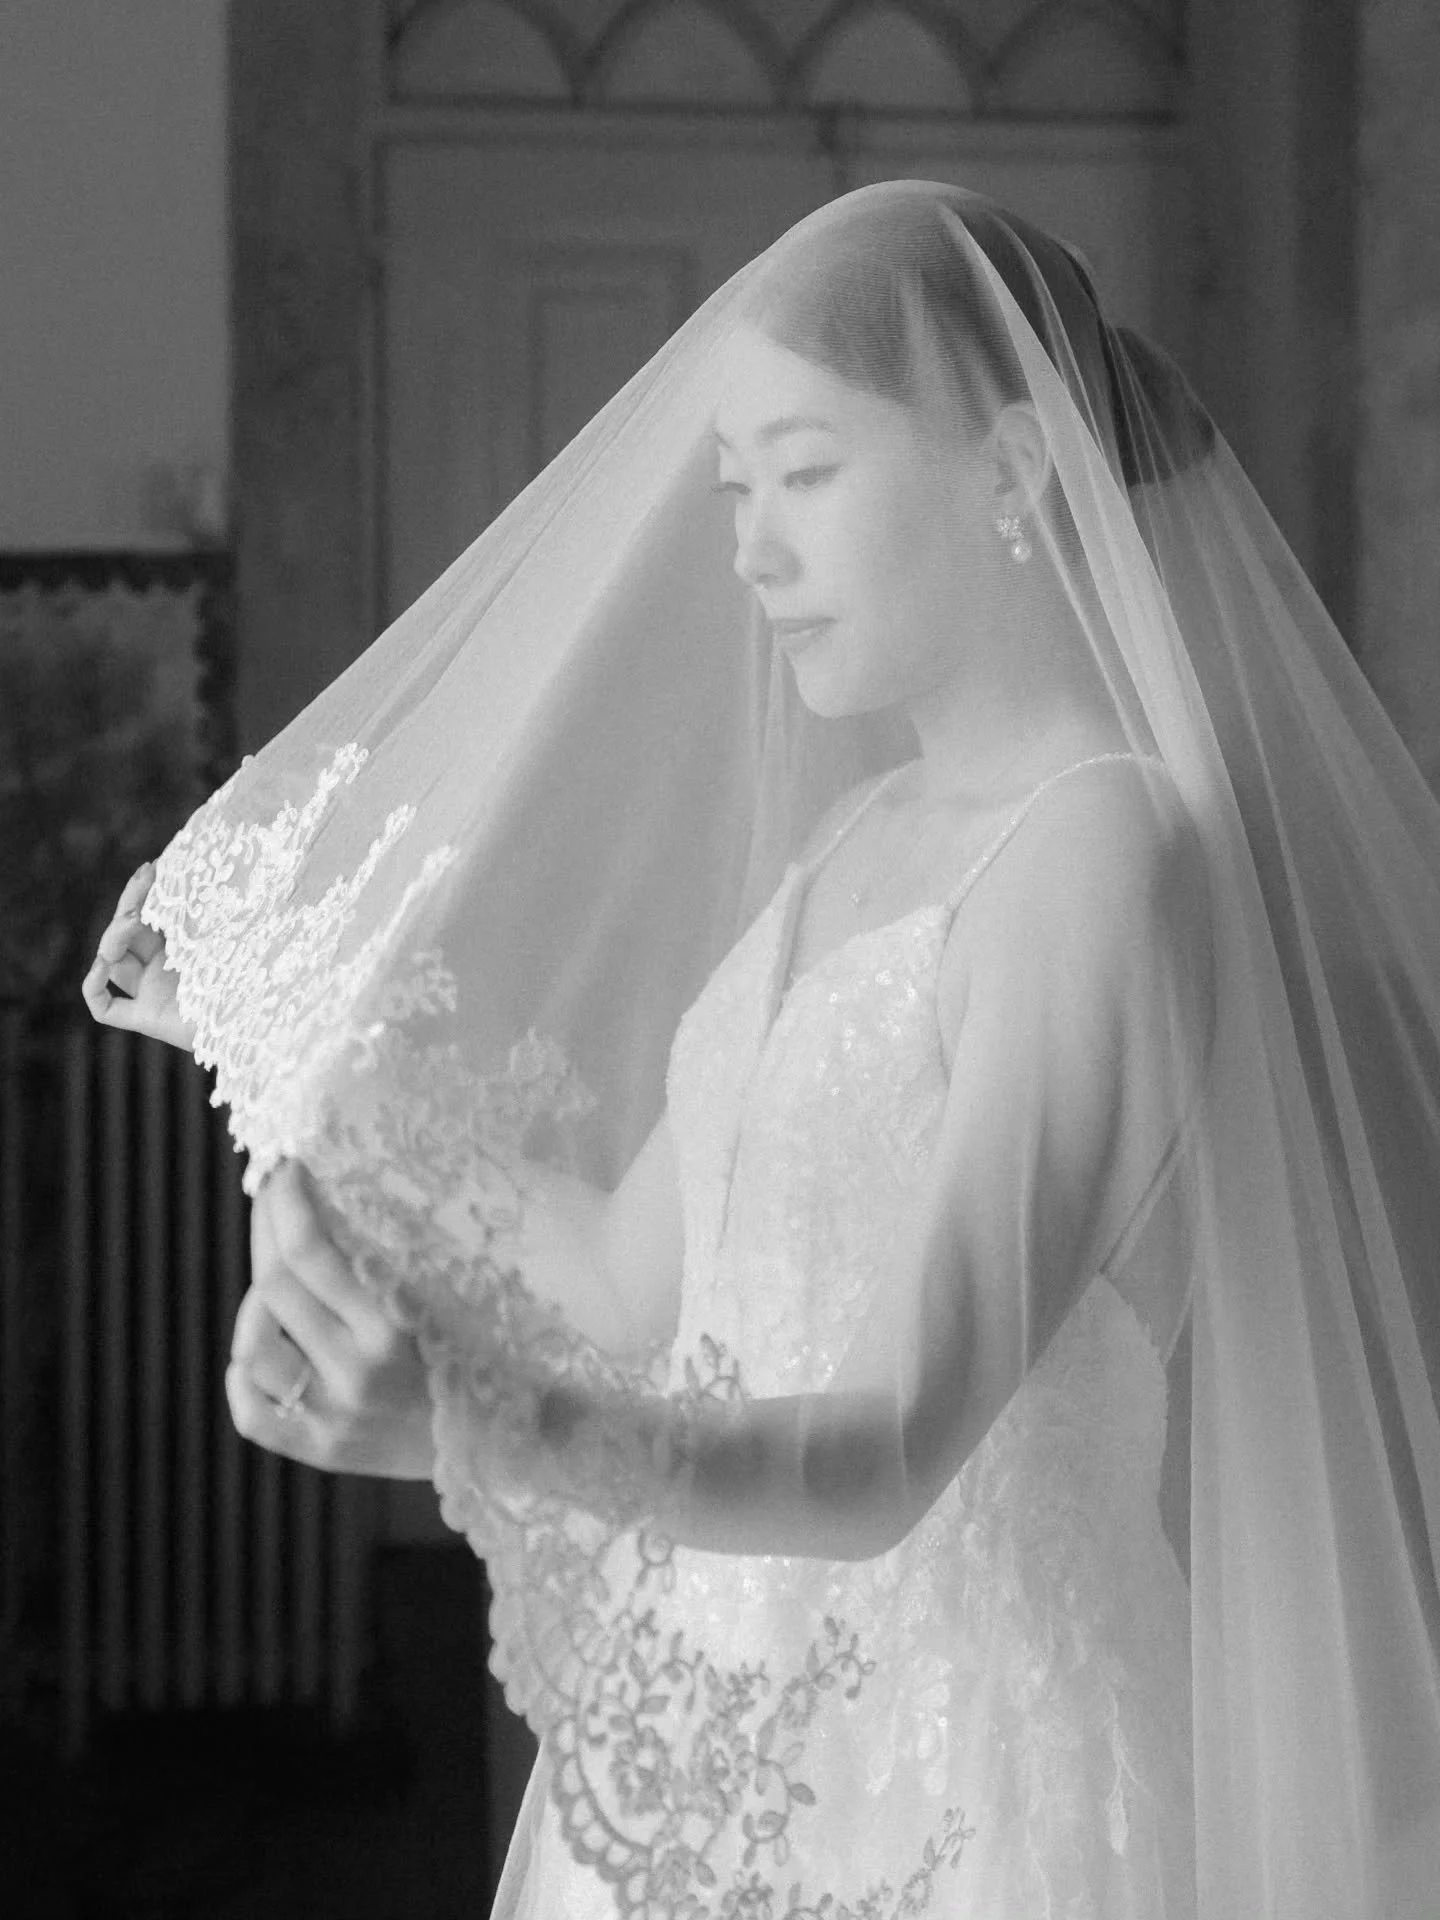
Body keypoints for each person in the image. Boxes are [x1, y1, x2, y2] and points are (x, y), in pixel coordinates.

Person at [85, 183, 1440, 1916]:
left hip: (972, 1795)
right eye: (736, 492)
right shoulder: (860, 841)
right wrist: (281, 1049)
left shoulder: (1106, 851)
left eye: (805, 474)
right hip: (731, 1762)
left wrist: (475, 1427)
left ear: (1014, 472)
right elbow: (624, 1273)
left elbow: (889, 1446)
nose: (750, 549)